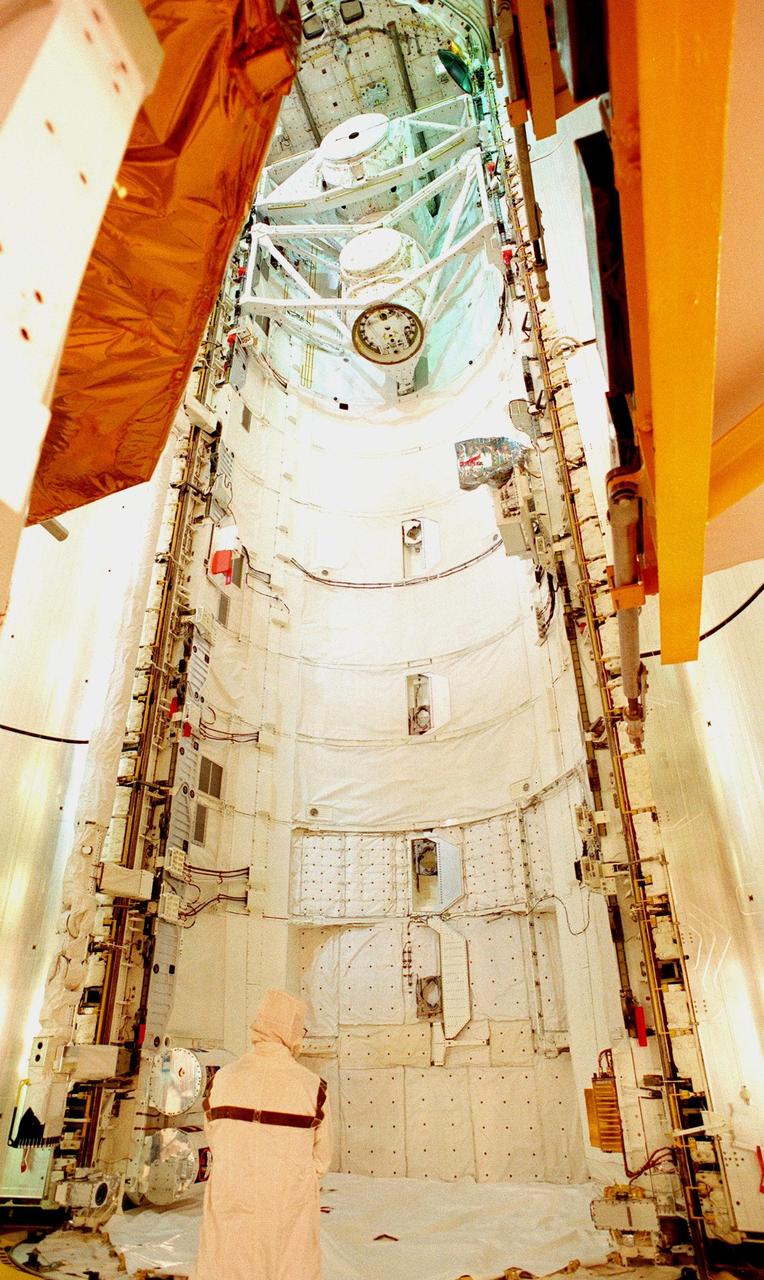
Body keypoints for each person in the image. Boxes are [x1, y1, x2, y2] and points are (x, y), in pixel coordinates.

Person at [191, 989, 332, 1280]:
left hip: (229, 1199)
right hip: (288, 1208)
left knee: (225, 1265)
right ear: (291, 1030)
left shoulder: (222, 1079)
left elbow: (214, 1138)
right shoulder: (312, 1086)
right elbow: (321, 1160)